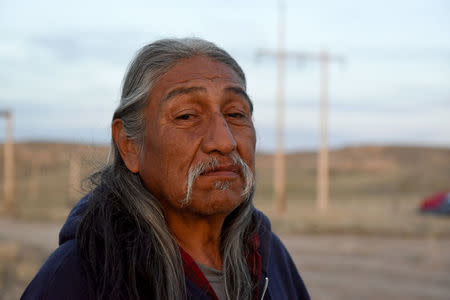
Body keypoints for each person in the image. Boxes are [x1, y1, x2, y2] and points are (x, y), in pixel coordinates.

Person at [21, 38, 310, 300]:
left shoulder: (266, 255)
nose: (225, 141)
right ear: (130, 145)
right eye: (186, 115)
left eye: (236, 114)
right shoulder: (78, 278)